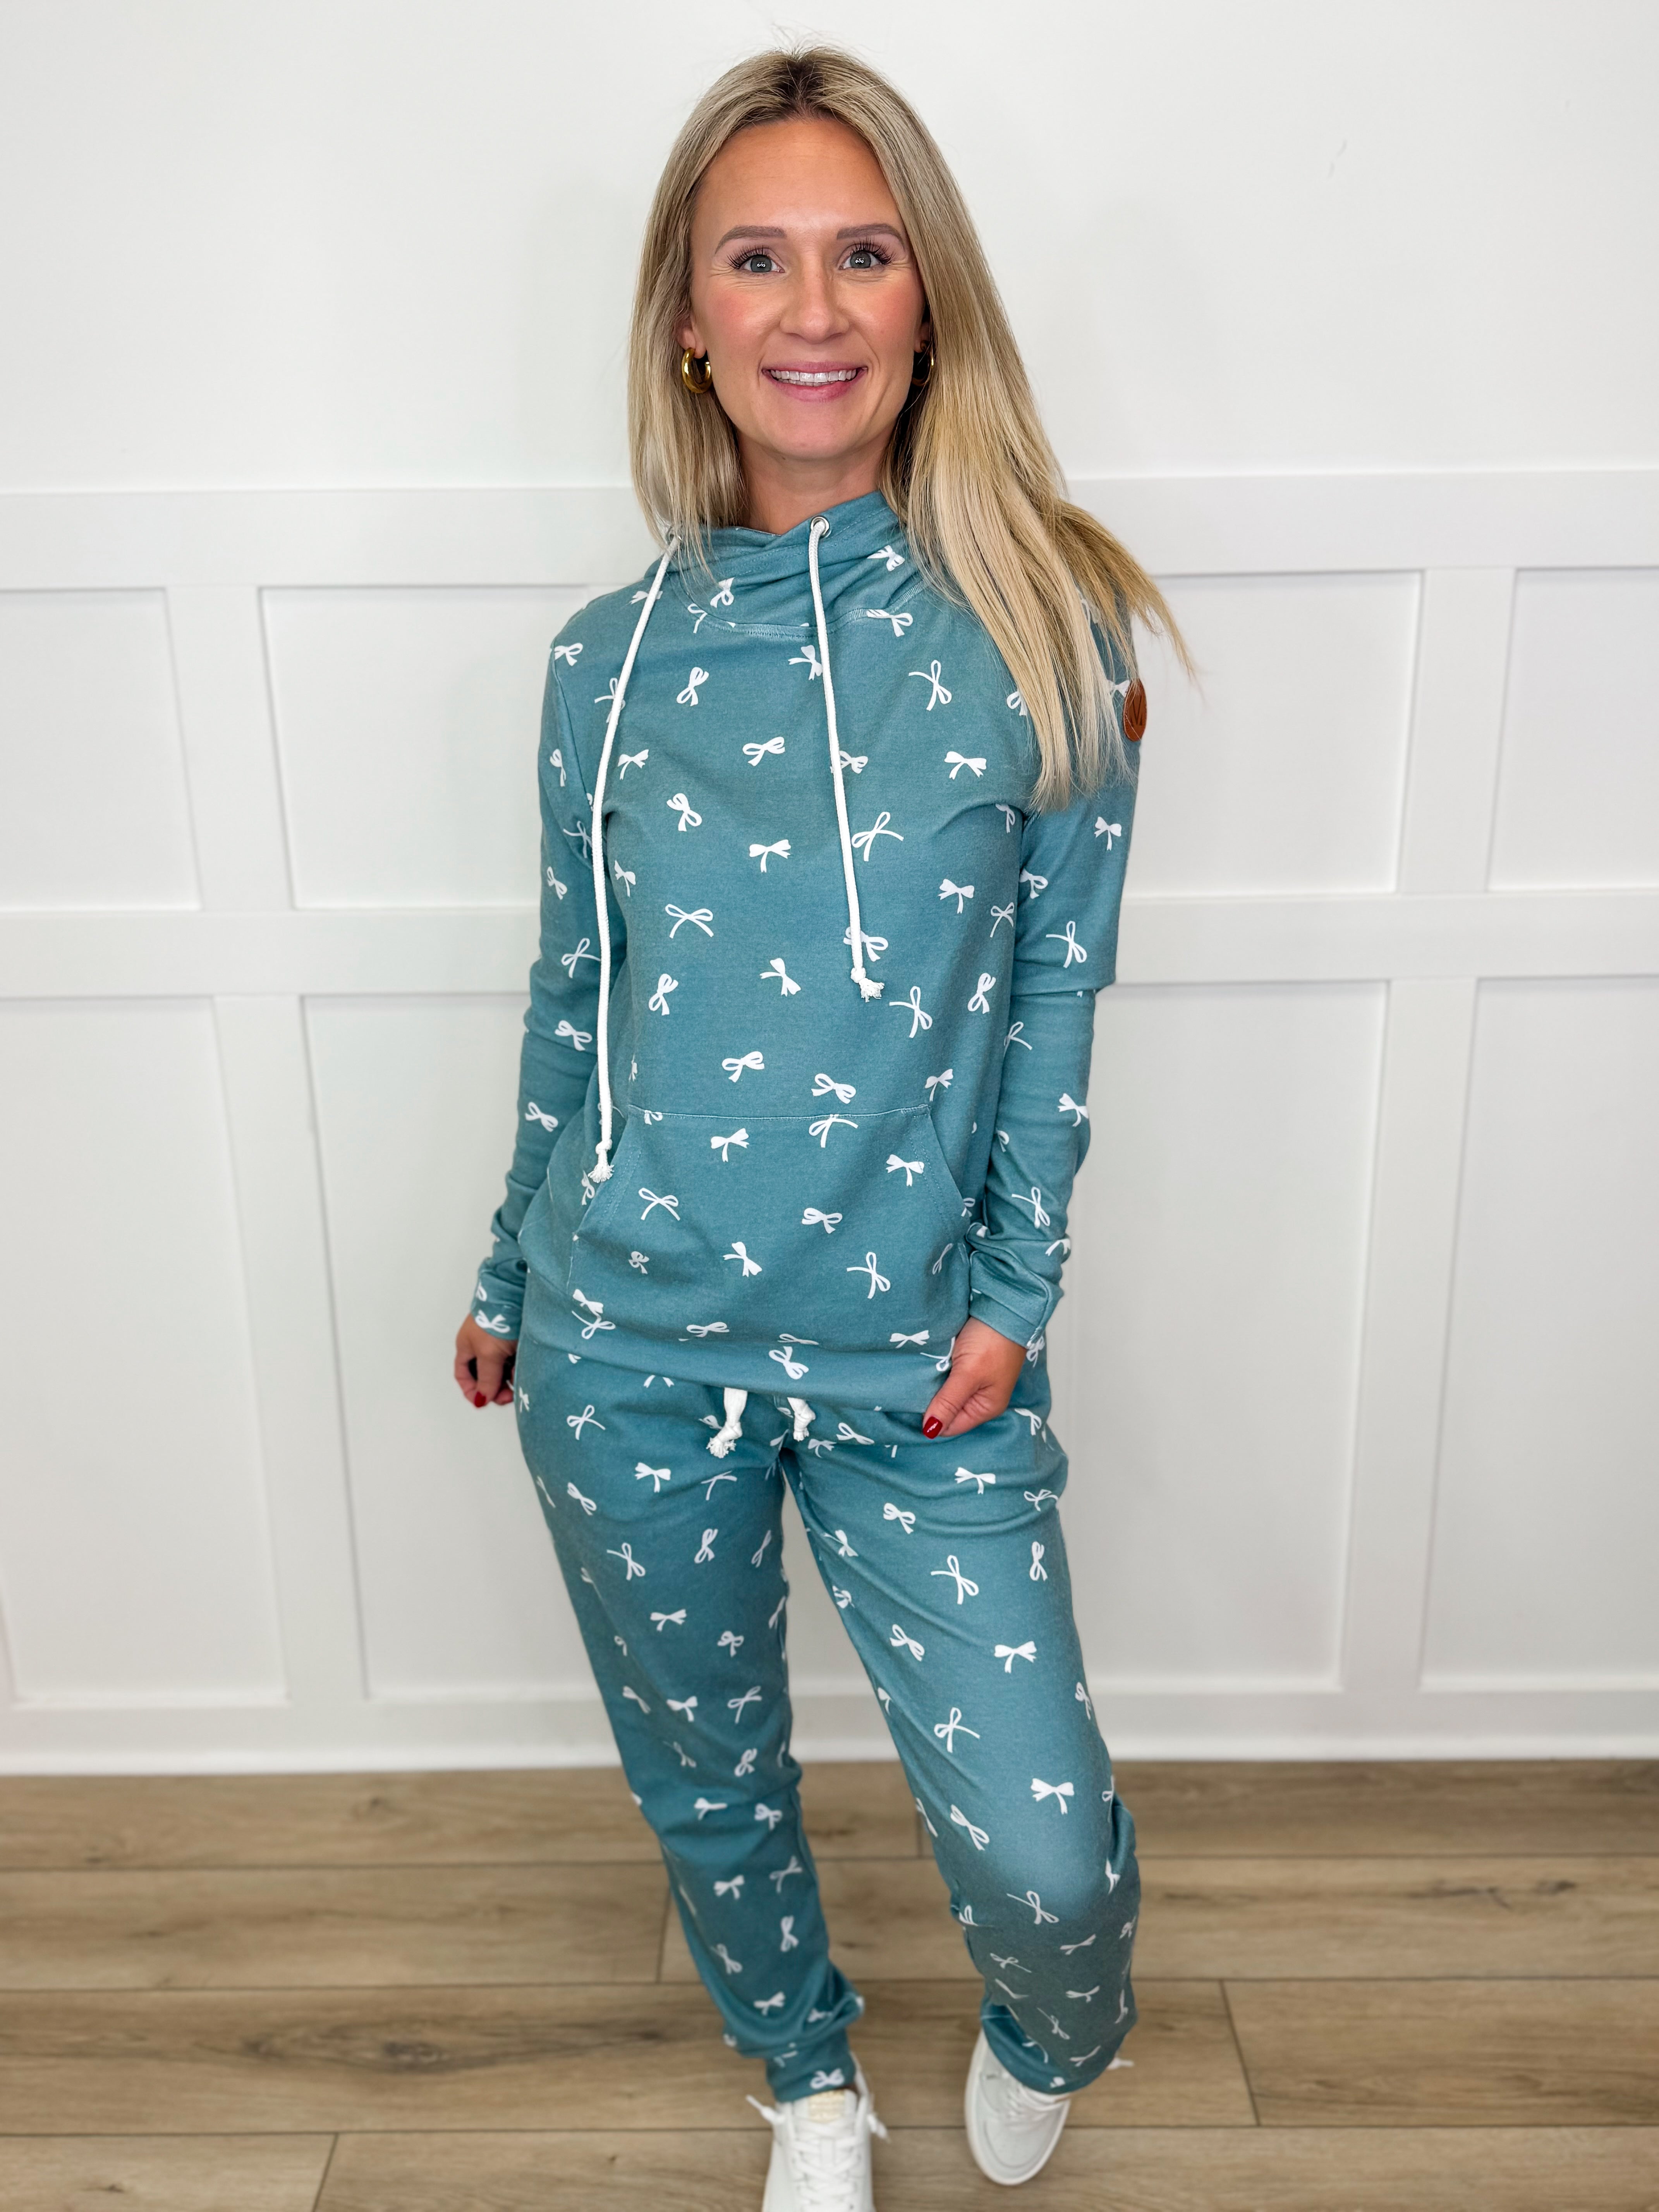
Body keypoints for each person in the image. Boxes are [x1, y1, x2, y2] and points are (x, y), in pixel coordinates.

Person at [453, 45, 1187, 2211]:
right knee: (709, 1782)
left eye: (865, 254)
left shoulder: (1051, 629)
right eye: (755, 259)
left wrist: (1018, 1293)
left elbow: (1057, 996)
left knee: (1049, 1858)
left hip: (912, 1356)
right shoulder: (603, 667)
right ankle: (805, 2081)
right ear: (688, 315)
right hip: (624, 1341)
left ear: (928, 297)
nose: (813, 309)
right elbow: (580, 994)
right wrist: (508, 1266)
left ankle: (1054, 2026)